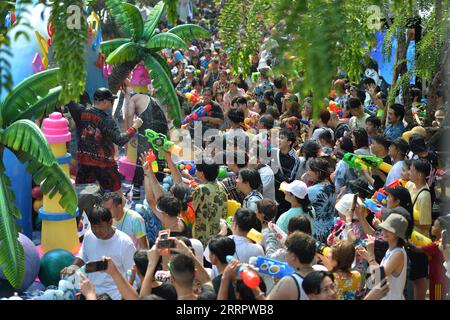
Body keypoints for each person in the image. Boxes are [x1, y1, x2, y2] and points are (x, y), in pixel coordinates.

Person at [73, 88, 143, 194]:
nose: (112, 102)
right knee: (117, 196)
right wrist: (135, 127)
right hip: (104, 166)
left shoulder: (81, 113)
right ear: (104, 102)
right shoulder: (106, 120)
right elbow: (120, 140)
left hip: (85, 163)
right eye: (111, 100)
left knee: (83, 195)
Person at [61, 206, 136, 300]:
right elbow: (82, 257)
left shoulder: (125, 243)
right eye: (93, 226)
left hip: (114, 296)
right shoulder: (89, 235)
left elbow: (132, 273)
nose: (96, 231)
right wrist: (72, 267)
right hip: (90, 293)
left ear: (110, 222)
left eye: (100, 227)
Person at [141, 240, 216, 300]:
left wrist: (151, 263)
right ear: (195, 273)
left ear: (171, 278)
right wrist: (188, 252)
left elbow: (143, 297)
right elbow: (206, 280)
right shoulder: (208, 296)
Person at [356, 214, 408, 300]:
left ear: (397, 235)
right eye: (384, 228)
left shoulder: (399, 253)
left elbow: (378, 278)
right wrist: (368, 256)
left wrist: (371, 256)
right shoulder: (390, 251)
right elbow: (376, 279)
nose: (383, 231)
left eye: (388, 230)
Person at [406, 159, 432, 300]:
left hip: (419, 242)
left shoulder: (424, 195)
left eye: (412, 170)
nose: (409, 172)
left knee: (418, 277)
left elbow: (426, 224)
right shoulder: (410, 185)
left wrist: (410, 218)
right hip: (409, 239)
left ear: (420, 175)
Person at [264, 231, 318, 300]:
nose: (284, 252)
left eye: (286, 249)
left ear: (293, 256)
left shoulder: (288, 282)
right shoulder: (322, 270)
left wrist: (255, 289)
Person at [192, 158, 228, 246]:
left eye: (197, 169)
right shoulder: (221, 185)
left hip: (204, 235)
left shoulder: (201, 189)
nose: (195, 172)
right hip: (220, 231)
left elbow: (192, 211)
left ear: (202, 173)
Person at [272, 128, 303, 217]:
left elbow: (289, 179)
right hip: (271, 189)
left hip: (283, 195)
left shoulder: (294, 159)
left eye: (282, 138)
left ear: (289, 142)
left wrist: (275, 171)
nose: (278, 140)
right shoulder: (275, 151)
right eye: (278, 137)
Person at [305, 158, 336, 243]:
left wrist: (303, 181)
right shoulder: (331, 186)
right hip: (329, 229)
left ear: (318, 173)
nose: (307, 173)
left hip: (316, 231)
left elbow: (297, 198)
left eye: (310, 170)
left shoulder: (311, 190)